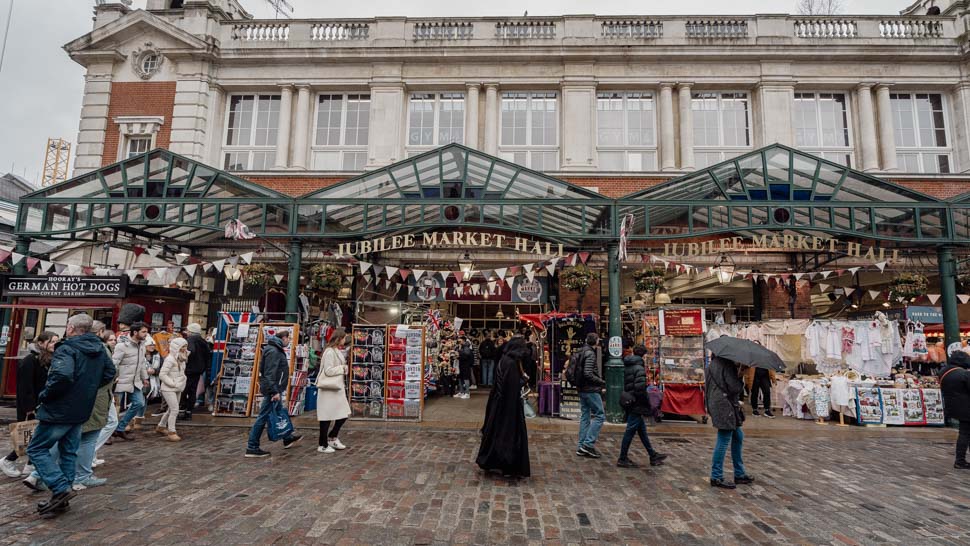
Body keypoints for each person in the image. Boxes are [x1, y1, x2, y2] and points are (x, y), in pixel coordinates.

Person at [25, 313, 115, 515]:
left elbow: (62, 375)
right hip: (81, 408)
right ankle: (61, 499)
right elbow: (110, 373)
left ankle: (59, 487)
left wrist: (45, 395)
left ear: (72, 328)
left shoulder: (67, 348)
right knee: (68, 451)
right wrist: (87, 390)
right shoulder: (100, 348)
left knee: (37, 449)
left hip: (60, 408)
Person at [1, 332, 58, 479]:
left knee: (36, 436)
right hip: (30, 405)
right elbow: (25, 387)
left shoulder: (48, 359)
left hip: (41, 403)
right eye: (52, 342)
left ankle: (30, 465)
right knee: (26, 437)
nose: (54, 345)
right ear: (41, 343)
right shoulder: (30, 360)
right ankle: (8, 460)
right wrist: (29, 407)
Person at [476, 336, 531, 478]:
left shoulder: (505, 360)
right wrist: (523, 380)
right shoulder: (512, 363)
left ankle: (494, 461)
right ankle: (506, 463)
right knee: (506, 436)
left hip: (499, 405)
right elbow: (511, 387)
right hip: (508, 407)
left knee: (496, 433)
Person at [245, 330, 302, 457]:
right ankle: (252, 446)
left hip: (275, 388)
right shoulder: (274, 351)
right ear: (283, 338)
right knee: (263, 417)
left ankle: (287, 437)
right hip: (272, 390)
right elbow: (270, 373)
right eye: (288, 338)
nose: (289, 341)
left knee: (279, 412)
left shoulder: (274, 349)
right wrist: (274, 391)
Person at [706, 356, 755, 489]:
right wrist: (741, 375)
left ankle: (739, 473)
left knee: (738, 436)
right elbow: (734, 387)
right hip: (724, 406)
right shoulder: (726, 365)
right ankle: (716, 476)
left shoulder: (713, 364)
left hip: (719, 404)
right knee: (723, 439)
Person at [617, 345, 668, 469]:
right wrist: (646, 404)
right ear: (643, 355)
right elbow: (639, 388)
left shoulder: (628, 364)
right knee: (630, 431)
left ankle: (652, 455)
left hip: (631, 399)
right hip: (636, 403)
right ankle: (622, 458)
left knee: (642, 431)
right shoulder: (639, 367)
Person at [112, 322, 149, 441]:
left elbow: (142, 363)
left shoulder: (142, 345)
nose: (146, 334)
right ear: (135, 332)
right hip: (121, 382)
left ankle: (120, 428)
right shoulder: (122, 346)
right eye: (143, 332)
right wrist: (114, 378)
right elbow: (114, 363)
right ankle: (109, 433)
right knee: (115, 409)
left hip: (135, 381)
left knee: (139, 403)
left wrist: (145, 377)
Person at [316, 328, 350, 454]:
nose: (345, 340)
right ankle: (323, 444)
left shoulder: (335, 350)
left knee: (343, 413)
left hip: (335, 389)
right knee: (326, 417)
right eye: (344, 337)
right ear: (339, 338)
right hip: (329, 389)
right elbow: (328, 370)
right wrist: (342, 368)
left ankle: (332, 437)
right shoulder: (330, 352)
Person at [576, 333, 607, 459]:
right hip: (590, 389)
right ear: (596, 341)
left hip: (582, 388)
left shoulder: (581, 351)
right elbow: (588, 373)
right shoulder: (590, 354)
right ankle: (588, 444)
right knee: (600, 415)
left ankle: (581, 446)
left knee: (585, 416)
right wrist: (601, 381)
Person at [940, 345, 970, 469]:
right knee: (965, 433)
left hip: (954, 406)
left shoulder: (945, 371)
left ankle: (960, 460)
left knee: (965, 433)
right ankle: (960, 460)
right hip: (966, 408)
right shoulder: (963, 374)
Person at [156, 337, 188, 442]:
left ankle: (161, 426)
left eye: (185, 346)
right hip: (169, 388)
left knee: (171, 409)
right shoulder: (169, 359)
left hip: (177, 387)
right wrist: (173, 383)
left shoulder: (182, 357)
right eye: (182, 346)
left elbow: (181, 372)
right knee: (175, 409)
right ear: (176, 347)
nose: (184, 348)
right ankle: (171, 431)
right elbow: (162, 374)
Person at [182, 323, 211, 419]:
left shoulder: (190, 340)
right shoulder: (203, 341)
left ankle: (182, 410)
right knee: (192, 391)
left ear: (191, 331)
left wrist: (185, 359)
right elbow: (208, 356)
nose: (187, 332)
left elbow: (191, 351)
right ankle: (189, 411)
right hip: (199, 370)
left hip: (189, 369)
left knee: (184, 390)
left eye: (188, 331)